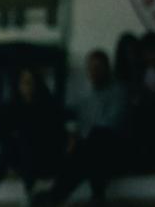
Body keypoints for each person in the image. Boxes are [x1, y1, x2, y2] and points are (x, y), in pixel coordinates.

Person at [39, 49, 132, 205]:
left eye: (98, 67)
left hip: (114, 147)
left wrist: (81, 137)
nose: (94, 72)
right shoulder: (85, 97)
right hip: (89, 149)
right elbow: (69, 114)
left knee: (94, 141)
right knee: (83, 150)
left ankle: (58, 195)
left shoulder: (119, 91)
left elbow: (112, 125)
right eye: (91, 68)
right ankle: (92, 195)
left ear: (107, 68)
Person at [0, 68, 66, 207]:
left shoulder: (47, 105)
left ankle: (28, 191)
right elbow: (2, 133)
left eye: (30, 82)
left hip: (44, 156)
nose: (27, 87)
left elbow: (55, 135)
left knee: (25, 139)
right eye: (24, 83)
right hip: (20, 156)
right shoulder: (13, 105)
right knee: (9, 146)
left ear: (37, 84)